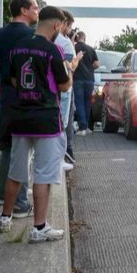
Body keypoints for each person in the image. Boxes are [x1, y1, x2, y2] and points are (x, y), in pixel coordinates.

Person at [0, 5, 72, 242]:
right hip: (47, 120)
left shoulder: (17, 47)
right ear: (56, 25)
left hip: (20, 116)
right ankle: (39, 227)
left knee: (15, 172)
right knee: (43, 175)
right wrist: (70, 71)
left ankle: (5, 217)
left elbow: (11, 77)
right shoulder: (54, 50)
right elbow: (63, 85)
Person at [0, 0, 38, 213]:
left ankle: (1, 193)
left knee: (7, 146)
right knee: (23, 149)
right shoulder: (34, 35)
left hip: (6, 96)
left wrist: (6, 71)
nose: (38, 10)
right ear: (24, 10)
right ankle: (20, 202)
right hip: (27, 98)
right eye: (35, 7)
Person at [55, 11, 82, 169]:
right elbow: (70, 66)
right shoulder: (65, 42)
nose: (69, 29)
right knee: (63, 123)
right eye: (69, 25)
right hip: (65, 86)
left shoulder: (49, 38)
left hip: (53, 86)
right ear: (64, 23)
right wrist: (77, 59)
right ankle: (60, 159)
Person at [73, 31, 100, 134]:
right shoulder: (90, 49)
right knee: (87, 103)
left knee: (79, 102)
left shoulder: (73, 47)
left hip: (77, 79)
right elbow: (97, 64)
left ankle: (82, 127)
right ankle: (87, 127)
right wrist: (90, 68)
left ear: (77, 37)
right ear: (84, 38)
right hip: (89, 79)